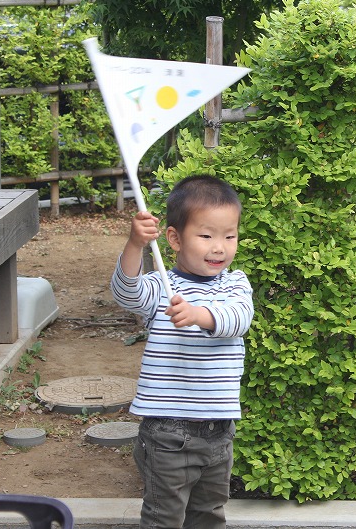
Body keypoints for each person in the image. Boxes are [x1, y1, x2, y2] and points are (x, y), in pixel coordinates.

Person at [111, 174, 254, 529]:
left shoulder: (235, 284)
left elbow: (238, 319)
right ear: (174, 238)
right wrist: (134, 245)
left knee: (208, 515)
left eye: (229, 236)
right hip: (167, 431)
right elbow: (126, 293)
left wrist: (198, 315)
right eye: (206, 236)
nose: (219, 247)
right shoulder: (161, 285)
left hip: (219, 431)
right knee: (164, 516)